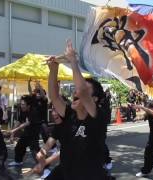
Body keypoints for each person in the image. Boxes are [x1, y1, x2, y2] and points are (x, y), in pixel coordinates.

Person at [46, 39, 109, 179]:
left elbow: (81, 91)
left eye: (86, 91)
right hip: (66, 174)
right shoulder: (70, 115)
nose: (75, 93)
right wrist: (53, 68)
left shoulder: (98, 117)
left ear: (94, 99)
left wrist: (73, 61)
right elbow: (54, 97)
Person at [8, 95, 42, 167]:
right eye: (21, 104)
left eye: (23, 104)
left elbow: (26, 123)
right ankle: (18, 161)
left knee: (35, 151)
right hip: (27, 132)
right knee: (19, 147)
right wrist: (12, 133)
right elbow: (18, 121)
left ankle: (45, 167)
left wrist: (14, 130)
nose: (21, 106)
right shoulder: (22, 111)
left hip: (34, 133)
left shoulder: (33, 111)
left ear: (28, 105)